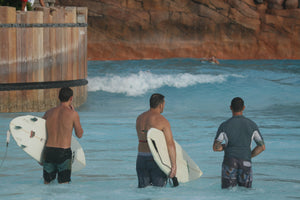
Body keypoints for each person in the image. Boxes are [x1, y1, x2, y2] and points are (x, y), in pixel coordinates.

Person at [213, 97, 265, 189]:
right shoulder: (252, 125)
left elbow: (216, 148)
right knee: (246, 193)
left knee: (227, 192)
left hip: (230, 162)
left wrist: (225, 147)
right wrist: (248, 155)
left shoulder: (225, 125)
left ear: (230, 108)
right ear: (244, 108)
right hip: (246, 161)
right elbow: (261, 147)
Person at [42, 87, 83, 184]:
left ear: (58, 97)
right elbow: (79, 134)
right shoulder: (73, 114)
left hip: (49, 151)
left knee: (47, 183)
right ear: (71, 98)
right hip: (63, 153)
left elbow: (40, 131)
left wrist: (40, 156)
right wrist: (74, 114)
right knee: (64, 186)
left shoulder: (49, 112)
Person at [136, 93, 176, 188]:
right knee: (158, 192)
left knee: (143, 192)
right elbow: (170, 144)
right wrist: (174, 166)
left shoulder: (139, 118)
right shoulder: (162, 121)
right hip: (156, 160)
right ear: (161, 105)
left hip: (141, 158)